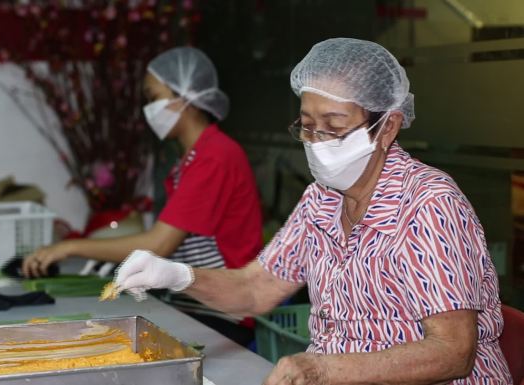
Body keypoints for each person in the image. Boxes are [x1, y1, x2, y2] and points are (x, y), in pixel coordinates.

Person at [113, 38, 512, 384]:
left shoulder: (428, 204)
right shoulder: (322, 200)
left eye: (334, 127)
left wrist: (324, 370)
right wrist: (176, 275)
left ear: (387, 128)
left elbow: (453, 352)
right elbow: (256, 290)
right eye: (307, 126)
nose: (317, 142)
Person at [22, 46, 263, 346]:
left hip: (224, 315)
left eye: (154, 98)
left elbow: (158, 244)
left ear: (184, 96)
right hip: (199, 304)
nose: (150, 109)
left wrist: (71, 247)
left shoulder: (214, 156)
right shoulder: (193, 158)